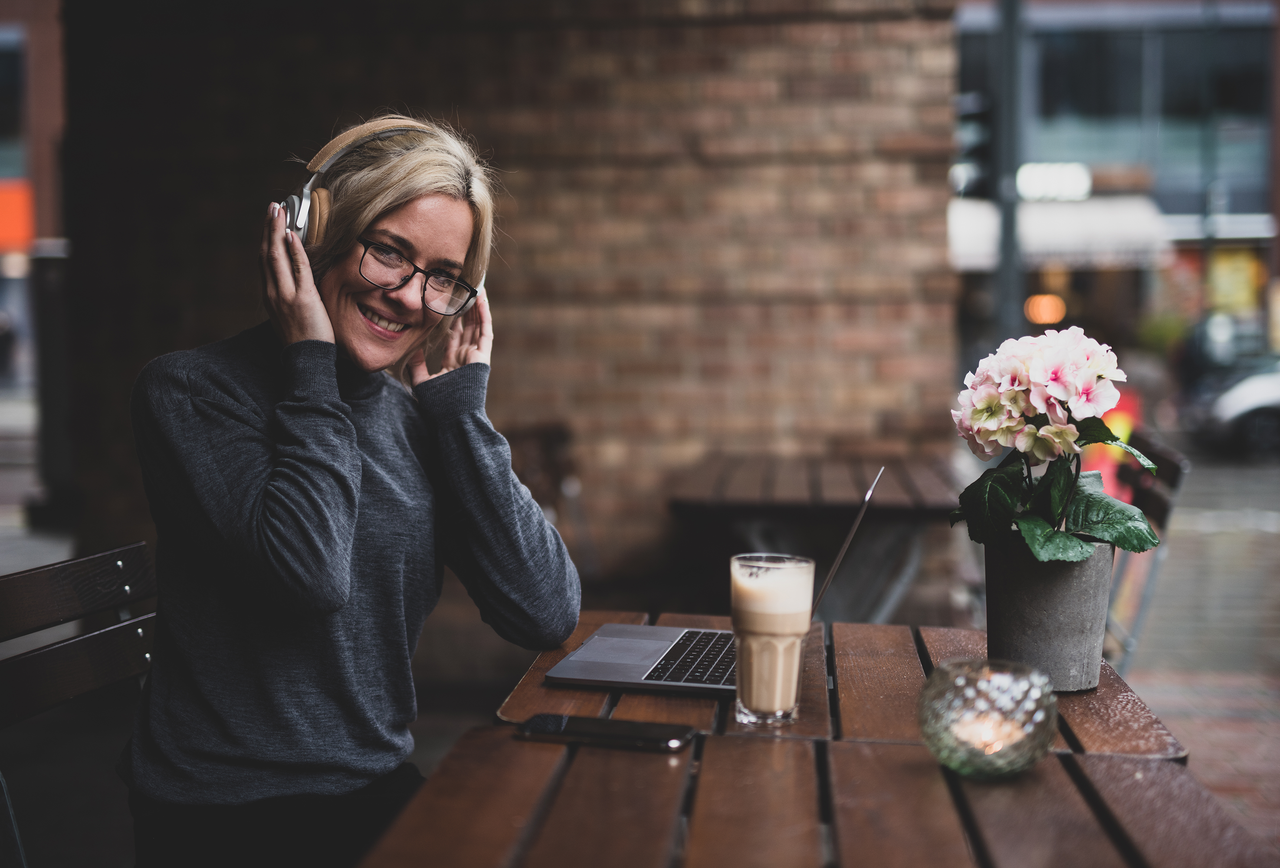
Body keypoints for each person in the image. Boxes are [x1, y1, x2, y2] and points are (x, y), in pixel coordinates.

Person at [120, 115, 581, 867]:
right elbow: (308, 577)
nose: (408, 296)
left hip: (368, 791)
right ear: (314, 234)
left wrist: (461, 418)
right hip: (223, 813)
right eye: (389, 252)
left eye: (443, 276)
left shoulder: (416, 421)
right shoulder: (192, 394)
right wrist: (309, 359)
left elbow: (545, 610)